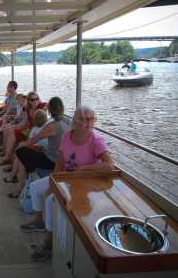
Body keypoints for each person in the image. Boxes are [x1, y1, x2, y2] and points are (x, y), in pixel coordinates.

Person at [20, 105, 114, 262]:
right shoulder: (68, 136)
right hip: (66, 177)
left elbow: (109, 166)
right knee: (36, 187)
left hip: (83, 183)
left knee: (50, 201)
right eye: (84, 119)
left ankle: (48, 243)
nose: (88, 122)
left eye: (91, 119)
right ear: (76, 121)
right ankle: (39, 221)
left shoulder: (96, 140)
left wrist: (84, 168)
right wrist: (54, 181)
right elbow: (60, 161)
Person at [6, 97, 68, 197]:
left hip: (52, 161)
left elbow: (35, 139)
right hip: (58, 156)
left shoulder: (52, 126)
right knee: (32, 151)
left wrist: (22, 145)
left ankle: (29, 175)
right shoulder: (67, 122)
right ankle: (26, 176)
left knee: (21, 151)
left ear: (50, 110)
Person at [0, 92, 47, 166]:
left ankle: (8, 159)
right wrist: (18, 128)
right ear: (29, 101)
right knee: (12, 132)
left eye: (36, 99)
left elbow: (51, 104)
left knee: (15, 136)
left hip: (36, 133)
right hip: (29, 130)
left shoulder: (41, 106)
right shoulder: (28, 109)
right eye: (32, 100)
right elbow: (27, 124)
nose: (35, 101)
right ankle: (7, 156)